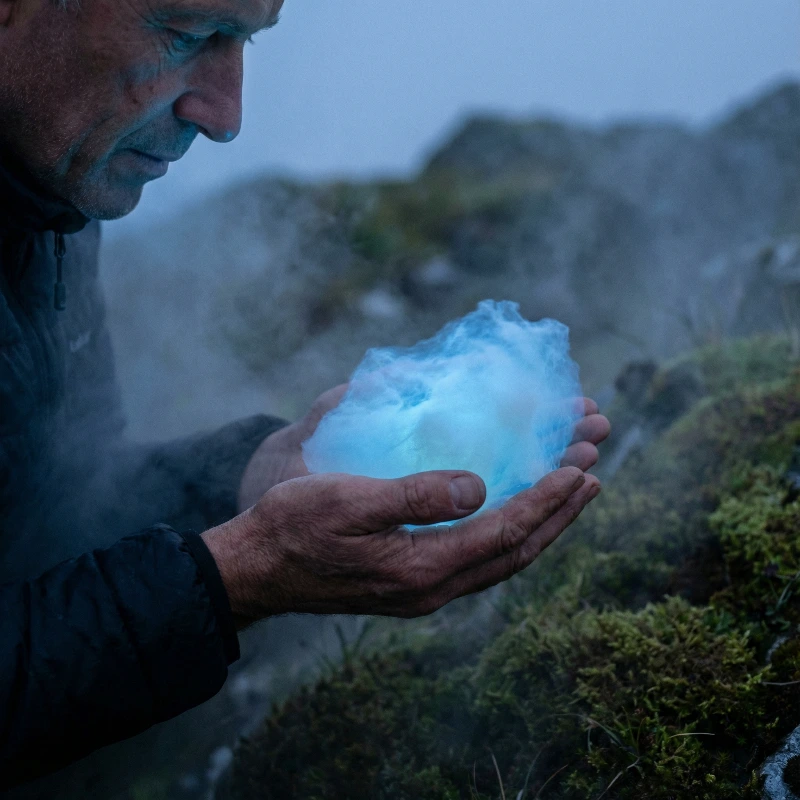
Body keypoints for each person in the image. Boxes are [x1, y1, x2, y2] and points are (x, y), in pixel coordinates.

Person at [0, 0, 611, 789]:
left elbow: (49, 511)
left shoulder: (50, 201)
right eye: (184, 35)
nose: (226, 116)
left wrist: (254, 475)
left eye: (244, 40)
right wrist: (236, 576)